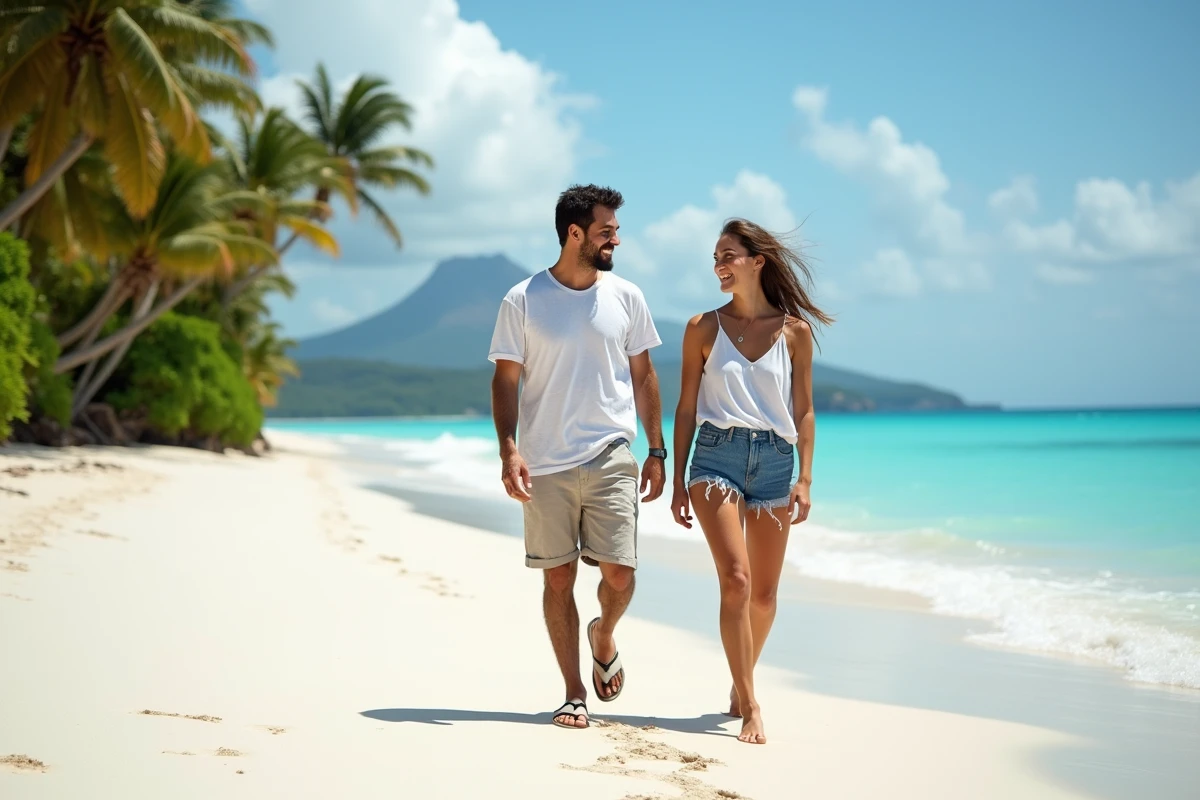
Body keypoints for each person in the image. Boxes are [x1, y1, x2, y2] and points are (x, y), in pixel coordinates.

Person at [488, 184, 667, 731]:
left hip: (612, 451)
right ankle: (572, 692)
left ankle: (604, 634)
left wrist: (656, 448)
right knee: (559, 580)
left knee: (618, 573)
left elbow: (643, 375)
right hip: (544, 462)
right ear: (575, 234)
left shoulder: (627, 297)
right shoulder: (522, 300)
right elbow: (505, 380)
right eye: (607, 230)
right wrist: (509, 448)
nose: (617, 238)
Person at [670, 218, 832, 745]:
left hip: (776, 462)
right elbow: (687, 407)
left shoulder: (794, 333)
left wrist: (805, 477)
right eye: (715, 256)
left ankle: (740, 682)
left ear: (757, 261)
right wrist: (677, 477)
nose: (719, 264)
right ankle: (751, 705)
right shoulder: (702, 327)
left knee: (763, 595)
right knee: (735, 581)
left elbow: (804, 410)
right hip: (716, 456)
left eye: (729, 254)